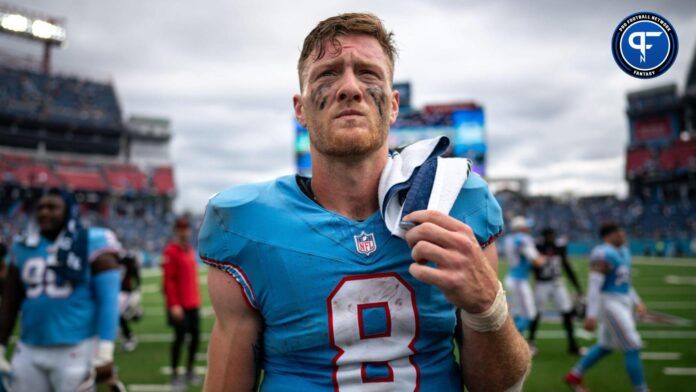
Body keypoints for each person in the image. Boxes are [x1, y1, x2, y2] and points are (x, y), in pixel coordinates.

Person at [199, 13, 530, 391]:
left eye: (368, 73)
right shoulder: (248, 222)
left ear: (392, 105)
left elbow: (501, 387)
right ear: (300, 108)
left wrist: (487, 306)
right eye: (327, 74)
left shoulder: (455, 200)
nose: (350, 88)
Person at [0, 189, 122, 392]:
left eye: (52, 207)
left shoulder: (91, 241)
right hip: (29, 347)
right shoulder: (23, 247)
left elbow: (108, 300)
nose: (44, 213)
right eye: (40, 208)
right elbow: (10, 301)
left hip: (75, 349)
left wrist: (105, 349)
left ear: (68, 211)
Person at [565, 222, 648, 392]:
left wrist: (636, 301)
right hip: (610, 303)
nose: (623, 235)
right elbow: (595, 287)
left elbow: (625, 281)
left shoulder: (622, 252)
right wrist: (591, 314)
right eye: (619, 233)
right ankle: (641, 389)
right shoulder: (603, 253)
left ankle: (574, 375)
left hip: (621, 301)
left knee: (606, 345)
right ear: (608, 235)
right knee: (632, 345)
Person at [527, 227, 582, 355]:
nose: (550, 238)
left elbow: (566, 266)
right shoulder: (538, 247)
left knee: (567, 312)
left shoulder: (559, 248)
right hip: (542, 283)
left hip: (557, 283)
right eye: (548, 236)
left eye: (552, 236)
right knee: (536, 313)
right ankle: (530, 342)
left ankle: (573, 344)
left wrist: (577, 286)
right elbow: (533, 266)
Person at [162, 217, 201, 389]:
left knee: (196, 338)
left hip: (193, 302)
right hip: (180, 305)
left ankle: (190, 370)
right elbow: (168, 281)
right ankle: (174, 374)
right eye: (181, 229)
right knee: (179, 340)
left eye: (186, 229)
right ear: (176, 231)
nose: (184, 232)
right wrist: (173, 305)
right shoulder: (171, 251)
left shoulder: (190, 250)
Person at [503, 216, 546, 334]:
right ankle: (509, 345)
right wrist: (547, 259)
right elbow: (536, 261)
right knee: (529, 315)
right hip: (518, 281)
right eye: (526, 226)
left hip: (512, 278)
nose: (528, 229)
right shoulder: (523, 239)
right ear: (521, 228)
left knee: (517, 315)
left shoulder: (509, 239)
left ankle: (511, 347)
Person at [118, 250, 142, 352]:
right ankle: (135, 313)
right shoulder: (126, 265)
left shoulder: (128, 265)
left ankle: (130, 338)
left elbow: (136, 282)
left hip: (126, 293)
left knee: (118, 316)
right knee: (118, 317)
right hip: (123, 293)